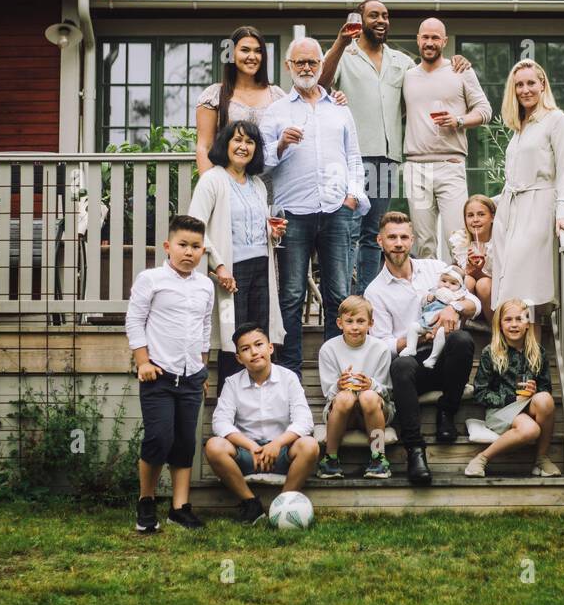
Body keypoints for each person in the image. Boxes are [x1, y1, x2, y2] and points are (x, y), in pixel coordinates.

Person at [319, 0, 474, 293]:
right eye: (374, 15)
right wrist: (339, 43)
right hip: (353, 160)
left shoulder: (401, 63)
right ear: (361, 20)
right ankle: (344, 299)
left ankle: (366, 297)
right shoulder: (345, 55)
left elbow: (423, 86)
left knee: (371, 234)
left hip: (386, 161)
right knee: (347, 231)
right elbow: (322, 84)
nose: (381, 21)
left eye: (386, 16)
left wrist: (458, 62)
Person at [259, 37, 370, 377]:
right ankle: (290, 370)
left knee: (337, 294)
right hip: (293, 213)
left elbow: (354, 158)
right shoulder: (276, 111)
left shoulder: (339, 108)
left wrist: (352, 197)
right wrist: (280, 144)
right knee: (291, 295)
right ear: (289, 67)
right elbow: (260, 163)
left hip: (337, 210)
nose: (306, 68)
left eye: (312, 63)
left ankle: (337, 370)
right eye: (300, 63)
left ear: (322, 66)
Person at [365, 211, 480, 483]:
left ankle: (447, 412)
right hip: (413, 364)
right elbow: (382, 344)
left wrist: (454, 307)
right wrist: (418, 337)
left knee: (462, 340)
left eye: (404, 237)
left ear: (412, 240)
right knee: (401, 365)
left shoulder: (435, 269)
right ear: (380, 241)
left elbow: (474, 305)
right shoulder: (375, 290)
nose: (398, 243)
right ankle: (415, 450)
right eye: (392, 237)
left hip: (447, 360)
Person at [124, 214, 215, 533]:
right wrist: (143, 362)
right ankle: (146, 501)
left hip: (191, 377)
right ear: (168, 246)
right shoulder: (151, 280)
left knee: (183, 443)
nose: (189, 252)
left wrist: (203, 369)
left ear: (203, 250)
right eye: (183, 245)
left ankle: (180, 507)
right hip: (159, 375)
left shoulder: (205, 286)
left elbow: (205, 328)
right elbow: (134, 321)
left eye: (196, 246)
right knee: (158, 438)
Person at [188, 119, 286, 390]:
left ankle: (260, 409)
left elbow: (254, 227)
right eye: (238, 140)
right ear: (226, 144)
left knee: (259, 342)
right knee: (234, 343)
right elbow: (195, 228)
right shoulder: (212, 180)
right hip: (231, 273)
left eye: (250, 142)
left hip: (261, 270)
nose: (244, 146)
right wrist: (219, 267)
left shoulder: (257, 185)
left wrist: (273, 232)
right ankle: (227, 414)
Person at [491, 59, 564, 337]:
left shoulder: (557, 120)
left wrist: (563, 210)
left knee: (526, 292)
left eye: (531, 83)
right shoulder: (520, 127)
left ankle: (530, 368)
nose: (525, 89)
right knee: (510, 292)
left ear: (543, 85)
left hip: (538, 209)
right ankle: (515, 367)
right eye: (519, 84)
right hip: (511, 212)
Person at [204, 323, 319, 525]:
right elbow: (220, 422)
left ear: (270, 347)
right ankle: (250, 504)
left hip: (282, 453)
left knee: (310, 445)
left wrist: (277, 444)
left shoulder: (289, 378)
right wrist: (251, 446)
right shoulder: (232, 383)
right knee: (214, 446)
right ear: (239, 358)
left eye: (258, 345)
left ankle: (282, 505)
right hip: (248, 454)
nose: (254, 352)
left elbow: (304, 420)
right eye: (245, 349)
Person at [401, 18, 492, 260]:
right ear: (418, 40)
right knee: (423, 243)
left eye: (435, 38)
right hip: (415, 167)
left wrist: (459, 120)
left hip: (450, 165)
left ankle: (461, 295)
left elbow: (485, 111)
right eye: (425, 37)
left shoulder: (460, 70)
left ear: (444, 41)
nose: (429, 42)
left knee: (458, 238)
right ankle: (429, 296)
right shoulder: (407, 76)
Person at [466, 298, 559, 478]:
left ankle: (542, 459)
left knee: (545, 398)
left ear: (527, 324)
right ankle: (481, 458)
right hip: (500, 410)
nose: (514, 324)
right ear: (500, 325)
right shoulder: (490, 353)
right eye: (508, 320)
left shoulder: (538, 352)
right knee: (531, 430)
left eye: (519, 319)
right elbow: (479, 393)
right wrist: (510, 399)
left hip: (527, 406)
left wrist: (536, 389)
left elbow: (546, 388)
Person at [316, 295, 395, 480]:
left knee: (368, 397)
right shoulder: (328, 349)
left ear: (370, 323)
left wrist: (371, 384)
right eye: (349, 321)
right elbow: (328, 393)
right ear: (339, 323)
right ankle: (330, 458)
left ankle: (378, 457)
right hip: (343, 411)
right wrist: (339, 385)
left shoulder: (380, 348)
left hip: (376, 409)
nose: (355, 327)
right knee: (345, 398)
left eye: (361, 321)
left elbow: (387, 391)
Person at [195, 26, 287, 177]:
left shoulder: (277, 95)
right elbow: (204, 147)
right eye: (245, 50)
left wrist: (335, 100)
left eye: (258, 51)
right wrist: (210, 188)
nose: (252, 56)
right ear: (231, 54)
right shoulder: (214, 96)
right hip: (228, 185)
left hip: (270, 188)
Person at [400, 264, 472, 369]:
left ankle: (433, 357)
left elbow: (469, 304)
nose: (447, 285)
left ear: (460, 286)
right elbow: (423, 304)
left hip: (444, 326)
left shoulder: (459, 295)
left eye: (453, 283)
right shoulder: (434, 291)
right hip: (427, 321)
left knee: (440, 334)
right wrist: (428, 298)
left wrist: (454, 304)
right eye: (444, 281)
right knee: (413, 327)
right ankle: (411, 347)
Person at [449, 194, 496, 316]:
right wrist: (471, 270)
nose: (475, 219)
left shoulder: (499, 242)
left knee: (483, 283)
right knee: (467, 280)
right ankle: (457, 327)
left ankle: (494, 328)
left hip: (494, 295)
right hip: (471, 297)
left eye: (481, 214)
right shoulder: (460, 240)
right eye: (470, 215)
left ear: (492, 217)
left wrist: (480, 271)